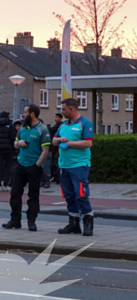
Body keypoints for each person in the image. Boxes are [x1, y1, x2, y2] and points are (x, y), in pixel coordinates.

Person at [3, 104, 50, 232]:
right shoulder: (23, 128)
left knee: (33, 195)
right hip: (20, 164)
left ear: (32, 114)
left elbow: (45, 150)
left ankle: (31, 221)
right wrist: (19, 143)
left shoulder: (42, 129)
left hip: (33, 166)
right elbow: (15, 143)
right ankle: (15, 220)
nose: (23, 115)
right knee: (15, 194)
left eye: (25, 112)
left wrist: (37, 165)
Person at [53, 97, 96, 236]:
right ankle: (73, 223)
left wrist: (70, 143)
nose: (61, 111)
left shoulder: (85, 123)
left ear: (71, 109)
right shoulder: (63, 125)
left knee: (81, 195)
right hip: (64, 166)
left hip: (79, 165)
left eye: (63, 109)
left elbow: (88, 143)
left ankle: (88, 222)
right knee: (69, 195)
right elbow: (53, 140)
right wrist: (59, 140)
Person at [48, 112, 64, 184]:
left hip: (57, 147)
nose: (55, 119)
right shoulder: (57, 125)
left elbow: (52, 130)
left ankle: (57, 177)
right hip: (54, 146)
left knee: (55, 161)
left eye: (57, 117)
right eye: (55, 117)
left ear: (60, 118)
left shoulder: (60, 126)